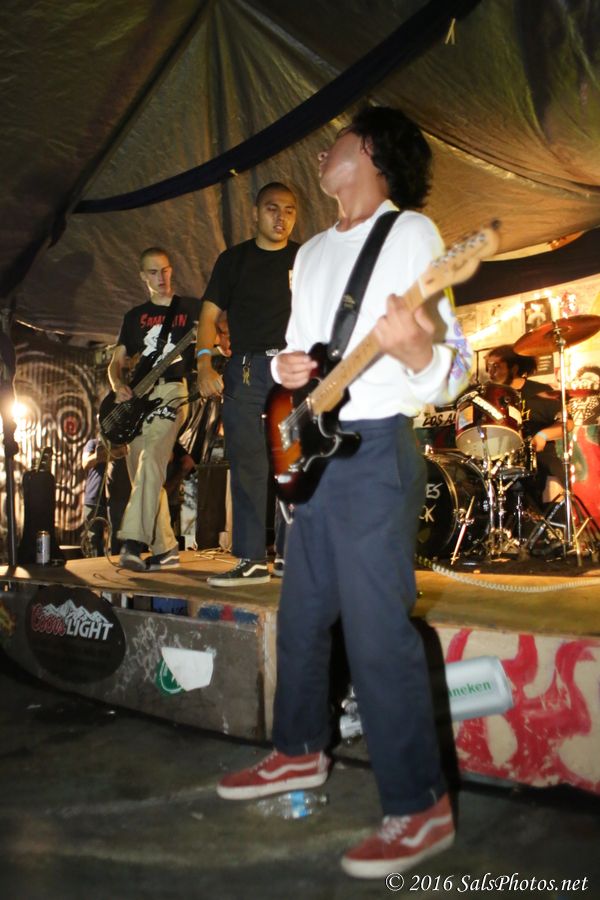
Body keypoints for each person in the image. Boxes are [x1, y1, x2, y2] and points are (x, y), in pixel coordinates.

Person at [215, 107, 472, 879]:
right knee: (300, 615)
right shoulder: (314, 251)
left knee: (375, 630)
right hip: (316, 455)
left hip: (376, 450)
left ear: (373, 153)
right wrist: (286, 371)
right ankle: (298, 750)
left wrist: (419, 348)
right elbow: (303, 356)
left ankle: (420, 805)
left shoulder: (413, 236)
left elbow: (454, 368)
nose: (325, 149)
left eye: (342, 138)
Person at [196, 182, 299, 585]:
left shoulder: (306, 258)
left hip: (291, 368)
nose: (281, 217)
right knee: (248, 466)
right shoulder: (233, 260)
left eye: (289, 210)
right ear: (255, 212)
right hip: (245, 369)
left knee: (293, 465)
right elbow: (208, 316)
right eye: (272, 208)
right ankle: (252, 559)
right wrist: (205, 363)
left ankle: (292, 557)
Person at [107, 247, 200, 572]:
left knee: (151, 460)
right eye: (153, 272)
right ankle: (166, 548)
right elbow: (116, 362)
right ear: (142, 276)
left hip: (172, 391)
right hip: (138, 397)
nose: (161, 277)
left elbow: (219, 335)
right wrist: (117, 384)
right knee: (143, 474)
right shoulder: (134, 317)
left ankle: (132, 543)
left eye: (165, 270)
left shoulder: (191, 309)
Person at [485, 344, 572, 504]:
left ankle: (555, 517)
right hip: (500, 462)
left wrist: (543, 435)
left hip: (539, 458)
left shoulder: (539, 391)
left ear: (514, 368)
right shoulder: (489, 397)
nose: (490, 373)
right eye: (488, 367)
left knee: (553, 482)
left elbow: (567, 424)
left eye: (496, 367)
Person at [81, 437, 108, 556]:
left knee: (116, 540)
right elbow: (85, 464)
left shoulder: (122, 443)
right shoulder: (92, 443)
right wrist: (97, 456)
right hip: (94, 497)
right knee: (94, 541)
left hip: (116, 499)